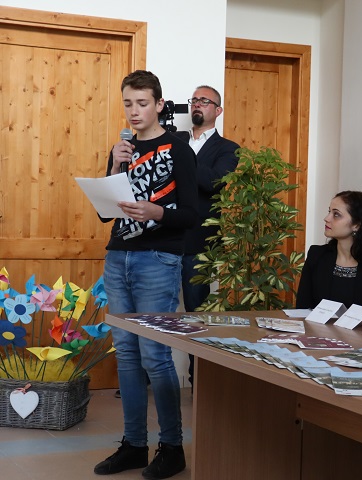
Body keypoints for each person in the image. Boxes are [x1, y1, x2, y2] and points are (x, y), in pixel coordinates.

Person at [94, 70, 198, 479]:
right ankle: (134, 445)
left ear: (159, 105)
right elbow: (105, 213)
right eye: (128, 104)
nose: (134, 111)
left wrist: (157, 212)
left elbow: (191, 214)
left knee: (155, 354)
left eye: (142, 103)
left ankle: (172, 448)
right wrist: (113, 166)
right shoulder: (122, 149)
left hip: (158, 258)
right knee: (126, 354)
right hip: (118, 257)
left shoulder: (178, 149)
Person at [174, 85, 239, 387]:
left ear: (218, 110)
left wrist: (181, 157)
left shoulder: (227, 149)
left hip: (200, 243)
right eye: (194, 100)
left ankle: (197, 379)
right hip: (164, 238)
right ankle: (146, 376)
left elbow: (213, 182)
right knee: (151, 311)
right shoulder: (175, 139)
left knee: (196, 314)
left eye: (204, 101)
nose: (197, 105)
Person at [296, 191, 362, 310]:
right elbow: (302, 310)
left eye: (336, 214)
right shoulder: (316, 255)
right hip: (316, 323)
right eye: (329, 212)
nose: (326, 218)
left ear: (356, 225)